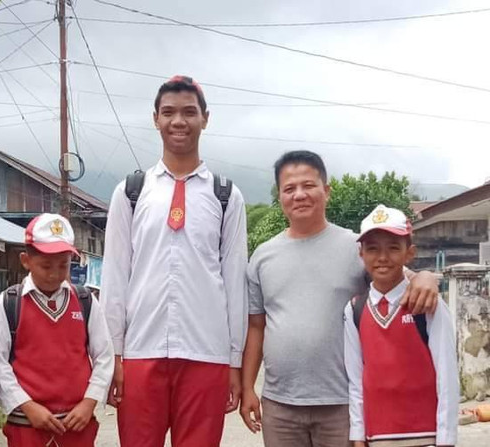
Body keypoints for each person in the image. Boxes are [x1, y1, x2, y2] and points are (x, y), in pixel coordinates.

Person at [241, 150, 439, 447]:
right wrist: (247, 388)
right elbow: (256, 327)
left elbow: (399, 277)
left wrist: (425, 277)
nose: (299, 195)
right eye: (289, 188)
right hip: (280, 405)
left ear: (326, 191)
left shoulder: (355, 248)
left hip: (342, 402)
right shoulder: (262, 256)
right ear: (279, 195)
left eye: (308, 185)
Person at [101, 75, 248, 447]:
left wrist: (234, 361)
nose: (178, 121)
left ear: (205, 118)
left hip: (206, 353)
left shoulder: (226, 195)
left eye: (189, 112)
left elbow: (234, 280)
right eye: (168, 112)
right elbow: (116, 276)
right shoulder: (131, 192)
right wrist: (112, 355)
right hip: (140, 353)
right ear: (155, 119)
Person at [0, 213, 114, 447]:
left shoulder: (85, 301)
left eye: (63, 266)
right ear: (26, 260)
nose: (54, 274)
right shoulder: (9, 303)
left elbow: (104, 356)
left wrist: (89, 402)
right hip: (27, 424)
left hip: (76, 423)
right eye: (45, 265)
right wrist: (27, 406)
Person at [344, 204, 458, 447]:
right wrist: (357, 435)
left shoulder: (428, 303)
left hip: (425, 436)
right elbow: (356, 380)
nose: (383, 257)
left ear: (410, 253)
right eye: (372, 249)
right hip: (376, 437)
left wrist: (446, 440)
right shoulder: (355, 309)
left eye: (393, 248)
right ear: (361, 254)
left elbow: (447, 377)